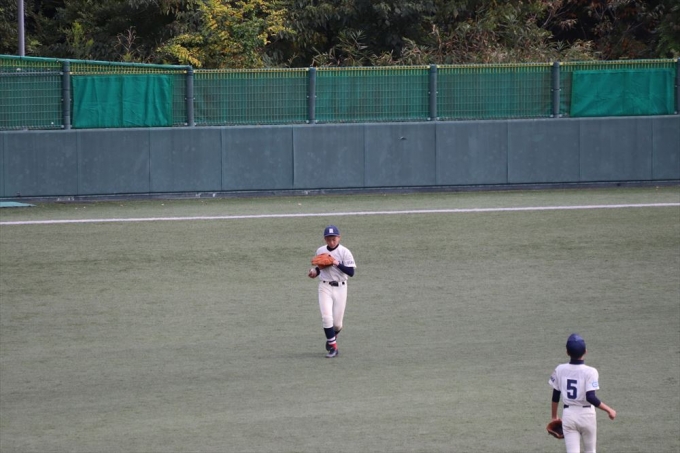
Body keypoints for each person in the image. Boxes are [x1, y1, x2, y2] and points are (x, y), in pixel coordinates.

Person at [549, 333, 617, 453]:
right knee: (590, 450)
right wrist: (609, 410)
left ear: (567, 352)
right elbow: (590, 397)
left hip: (569, 415)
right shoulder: (591, 372)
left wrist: (554, 416)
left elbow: (555, 395)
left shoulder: (560, 369)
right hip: (587, 415)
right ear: (585, 351)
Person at [307, 225, 356, 358]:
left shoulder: (345, 252)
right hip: (325, 287)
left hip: (341, 288)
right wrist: (314, 272)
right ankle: (333, 347)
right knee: (326, 317)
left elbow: (351, 272)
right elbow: (321, 267)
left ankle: (332, 337)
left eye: (334, 239)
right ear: (325, 239)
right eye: (328, 239)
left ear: (339, 238)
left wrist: (336, 262)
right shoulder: (320, 250)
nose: (331, 242)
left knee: (337, 325)